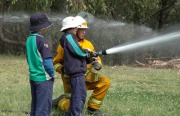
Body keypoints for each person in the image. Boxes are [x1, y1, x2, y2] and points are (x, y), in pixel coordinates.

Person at [53, 16, 111, 116]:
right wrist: (63, 70)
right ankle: (60, 101)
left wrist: (97, 64)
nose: (84, 32)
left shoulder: (88, 43)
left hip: (87, 78)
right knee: (72, 105)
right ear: (75, 29)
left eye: (85, 30)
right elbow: (56, 63)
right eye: (81, 29)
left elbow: (95, 59)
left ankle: (93, 109)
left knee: (105, 82)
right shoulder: (66, 43)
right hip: (72, 79)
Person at [59, 16, 90, 116]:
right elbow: (77, 51)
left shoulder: (69, 38)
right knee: (79, 97)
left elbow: (77, 52)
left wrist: (88, 56)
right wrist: (87, 53)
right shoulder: (69, 37)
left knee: (79, 96)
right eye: (75, 27)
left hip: (77, 73)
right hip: (76, 74)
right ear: (70, 28)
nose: (77, 28)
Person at [26, 12, 54, 116]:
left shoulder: (29, 39)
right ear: (42, 28)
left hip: (33, 77)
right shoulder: (42, 41)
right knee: (43, 108)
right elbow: (47, 61)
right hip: (43, 78)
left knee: (35, 106)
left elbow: (29, 58)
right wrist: (52, 73)